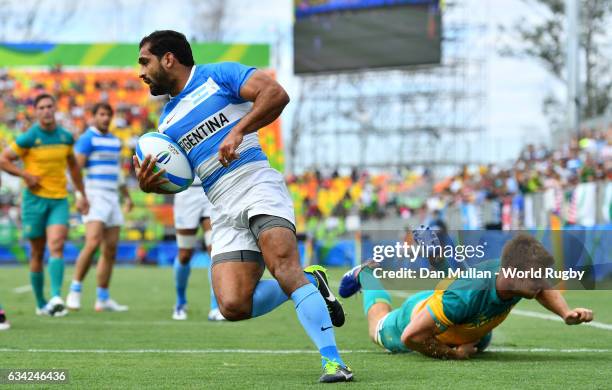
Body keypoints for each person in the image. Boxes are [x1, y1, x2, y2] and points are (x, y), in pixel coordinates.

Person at [134, 30, 352, 382]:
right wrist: (155, 186)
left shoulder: (219, 75)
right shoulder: (166, 123)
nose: (141, 72)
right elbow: (188, 178)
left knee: (283, 267)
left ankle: (334, 362)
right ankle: (312, 280)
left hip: (256, 184)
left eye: (145, 61)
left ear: (169, 59)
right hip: (220, 206)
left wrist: (238, 130)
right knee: (233, 305)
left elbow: (276, 94)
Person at [339, 233, 594, 359]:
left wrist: (566, 313)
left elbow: (544, 289)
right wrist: (454, 355)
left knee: (459, 296)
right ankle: (366, 274)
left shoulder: (521, 278)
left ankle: (441, 265)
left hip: (461, 311)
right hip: (417, 317)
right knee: (378, 326)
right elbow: (411, 338)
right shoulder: (467, 297)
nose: (543, 283)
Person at [0, 93, 89, 316]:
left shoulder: (66, 137)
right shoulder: (29, 137)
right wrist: (25, 175)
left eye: (50, 106)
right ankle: (41, 303)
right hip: (33, 202)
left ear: (55, 108)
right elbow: (3, 159)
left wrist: (81, 194)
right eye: (41, 107)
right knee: (37, 253)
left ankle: (57, 297)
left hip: (58, 200)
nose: (46, 110)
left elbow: (74, 168)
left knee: (56, 244)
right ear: (36, 111)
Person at [66, 103, 131, 312]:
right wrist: (79, 195)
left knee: (110, 249)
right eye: (101, 114)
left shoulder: (115, 141)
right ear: (93, 117)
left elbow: (118, 173)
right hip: (94, 195)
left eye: (108, 115)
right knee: (92, 242)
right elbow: (75, 170)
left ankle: (102, 298)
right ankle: (75, 290)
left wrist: (127, 197)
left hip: (112, 197)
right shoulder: (87, 139)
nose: (105, 118)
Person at [172, 181, 224, 321]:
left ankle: (215, 307)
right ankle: (181, 302)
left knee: (215, 251)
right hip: (185, 190)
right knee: (184, 255)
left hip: (212, 187)